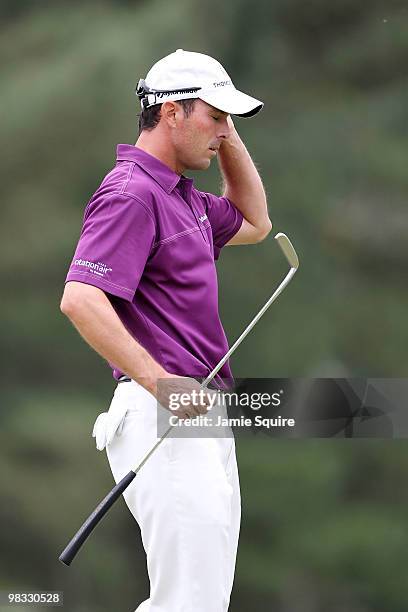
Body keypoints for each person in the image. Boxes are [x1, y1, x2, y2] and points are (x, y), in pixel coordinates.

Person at [60, 49, 271, 612]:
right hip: (161, 411)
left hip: (197, 414)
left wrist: (222, 130)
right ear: (172, 112)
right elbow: (81, 298)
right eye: (216, 118)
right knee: (189, 603)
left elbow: (255, 221)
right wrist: (161, 383)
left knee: (203, 600)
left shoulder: (182, 197)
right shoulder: (132, 192)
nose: (224, 134)